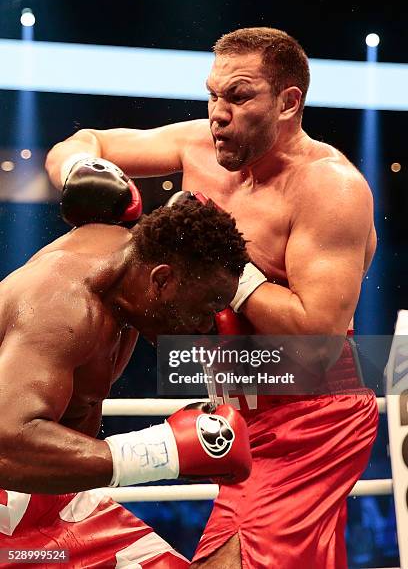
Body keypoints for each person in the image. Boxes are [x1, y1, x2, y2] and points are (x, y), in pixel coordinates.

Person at [45, 27, 379, 569]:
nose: (218, 112)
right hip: (236, 411)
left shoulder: (329, 188)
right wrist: (84, 172)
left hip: (311, 416)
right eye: (213, 94)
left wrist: (224, 270)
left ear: (289, 102)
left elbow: (316, 340)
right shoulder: (197, 143)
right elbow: (88, 141)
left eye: (239, 96)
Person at [0, 197, 252, 568]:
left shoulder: (130, 262)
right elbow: (7, 444)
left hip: (53, 499)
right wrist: (162, 451)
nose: (204, 326)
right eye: (203, 308)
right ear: (162, 279)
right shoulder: (63, 310)